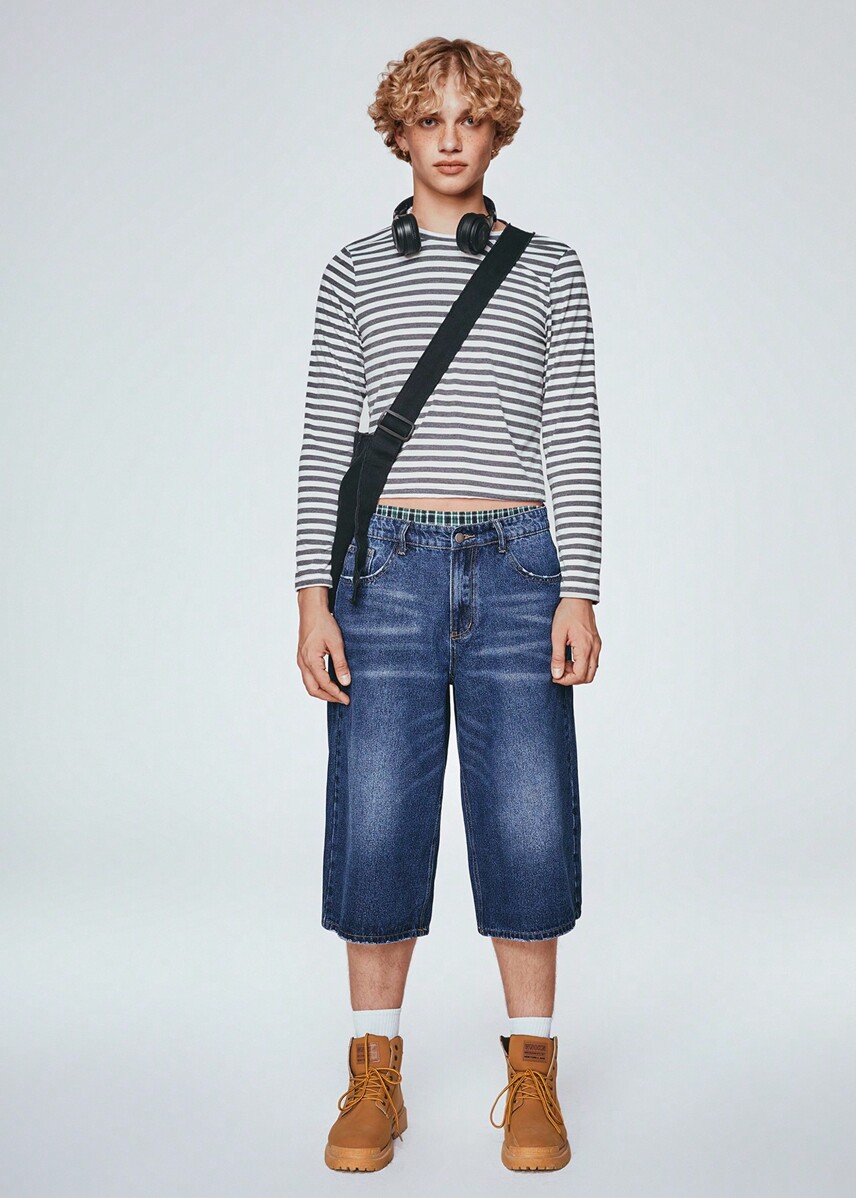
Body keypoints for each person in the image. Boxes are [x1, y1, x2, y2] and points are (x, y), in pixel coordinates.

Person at [294, 36, 602, 1173]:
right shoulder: (351, 273)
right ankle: (376, 1072)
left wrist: (581, 588)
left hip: (520, 569)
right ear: (400, 133)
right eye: (430, 119)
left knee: (529, 816)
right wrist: (312, 598)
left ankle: (534, 1073)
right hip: (385, 572)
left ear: (499, 129)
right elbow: (327, 445)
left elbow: (573, 431)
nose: (451, 139)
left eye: (472, 118)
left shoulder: (550, 268)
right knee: (378, 815)